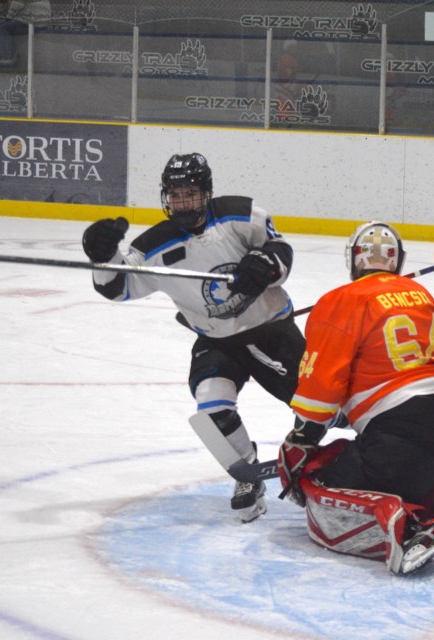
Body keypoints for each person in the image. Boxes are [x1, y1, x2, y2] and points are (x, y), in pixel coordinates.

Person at [81, 152, 305, 523]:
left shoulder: (240, 214)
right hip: (217, 341)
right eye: (176, 195)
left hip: (271, 332)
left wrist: (264, 266)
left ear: (206, 193)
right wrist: (102, 257)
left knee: (325, 408)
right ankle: (248, 473)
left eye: (191, 194)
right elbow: (117, 288)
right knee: (211, 404)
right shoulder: (152, 246)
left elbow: (280, 250)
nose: (183, 203)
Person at [276, 221, 434, 574]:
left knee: (318, 478)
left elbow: (320, 390)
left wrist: (301, 441)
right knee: (396, 465)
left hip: (398, 434)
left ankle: (409, 527)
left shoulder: (340, 300)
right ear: (397, 262)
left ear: (354, 260)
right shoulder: (420, 294)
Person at [0, 0, 51, 68]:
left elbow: (16, 6)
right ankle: (9, 54)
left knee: (3, 27)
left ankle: (6, 58)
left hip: (32, 21)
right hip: (42, 20)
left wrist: (8, 18)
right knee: (4, 25)